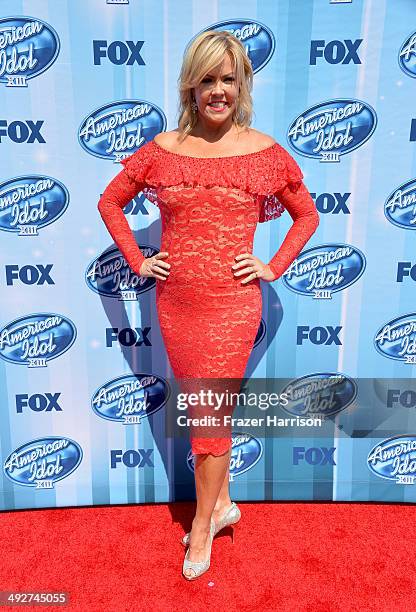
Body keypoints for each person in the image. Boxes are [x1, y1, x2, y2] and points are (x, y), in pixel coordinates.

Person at [97, 30, 319, 580]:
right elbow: (110, 201)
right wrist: (138, 260)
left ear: (242, 84)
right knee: (205, 411)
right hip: (176, 307)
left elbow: (307, 215)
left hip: (232, 308)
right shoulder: (164, 150)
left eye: (228, 79)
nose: (218, 91)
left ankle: (201, 527)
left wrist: (274, 266)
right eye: (207, 80)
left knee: (209, 416)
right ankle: (220, 505)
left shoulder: (264, 152)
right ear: (190, 86)